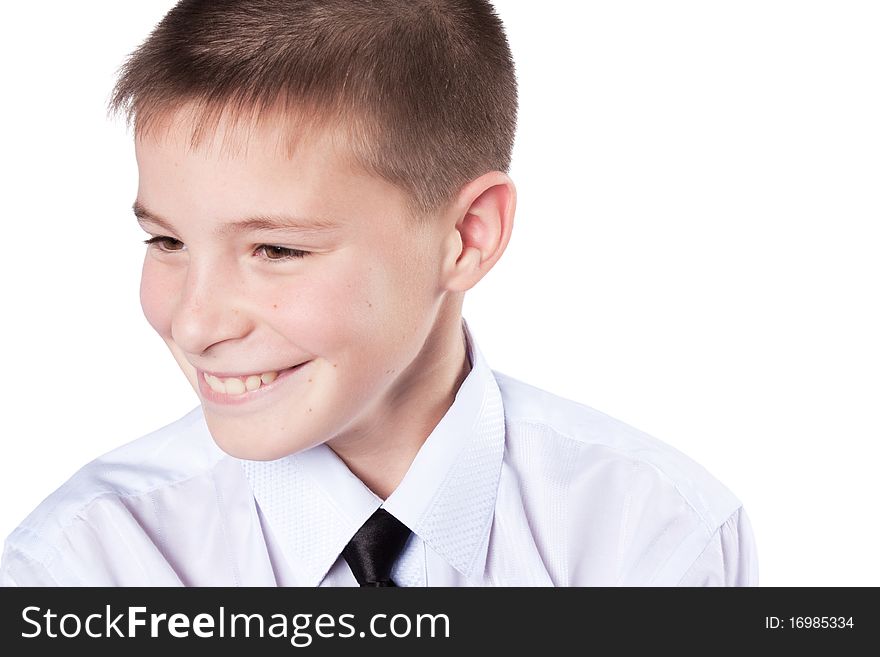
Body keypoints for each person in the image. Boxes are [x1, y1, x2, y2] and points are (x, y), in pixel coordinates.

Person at [0, 0, 757, 587]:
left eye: (276, 249)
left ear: (465, 236)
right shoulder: (85, 563)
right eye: (166, 241)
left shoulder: (651, 534)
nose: (194, 322)